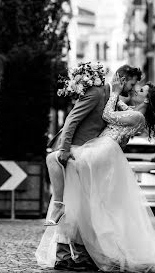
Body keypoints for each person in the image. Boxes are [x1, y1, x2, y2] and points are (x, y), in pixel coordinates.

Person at [35, 74, 155, 273]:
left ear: (147, 100)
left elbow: (108, 115)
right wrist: (104, 89)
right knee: (82, 196)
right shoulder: (134, 113)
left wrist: (114, 92)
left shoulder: (137, 117)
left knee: (54, 159)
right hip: (102, 149)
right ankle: (65, 216)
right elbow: (116, 106)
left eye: (141, 91)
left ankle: (59, 205)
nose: (136, 90)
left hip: (102, 150)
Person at [45, 64, 142, 226]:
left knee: (81, 205)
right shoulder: (97, 92)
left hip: (89, 157)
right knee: (54, 165)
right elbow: (72, 119)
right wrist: (64, 148)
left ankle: (73, 247)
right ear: (122, 80)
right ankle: (59, 208)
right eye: (132, 85)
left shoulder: (113, 99)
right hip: (74, 150)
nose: (132, 90)